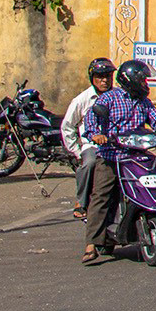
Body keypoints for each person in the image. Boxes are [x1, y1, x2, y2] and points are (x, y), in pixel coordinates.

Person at [80, 58, 156, 265]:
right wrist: (96, 134)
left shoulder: (143, 102)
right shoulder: (109, 99)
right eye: (142, 80)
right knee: (102, 195)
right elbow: (91, 118)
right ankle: (91, 244)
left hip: (137, 154)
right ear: (131, 80)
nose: (145, 84)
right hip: (112, 155)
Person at [61, 57, 115, 220]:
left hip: (117, 144)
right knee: (89, 163)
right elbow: (67, 126)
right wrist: (76, 151)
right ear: (92, 78)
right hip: (92, 146)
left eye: (108, 76)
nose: (104, 80)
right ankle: (82, 201)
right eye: (100, 76)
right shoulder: (82, 100)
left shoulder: (119, 96)